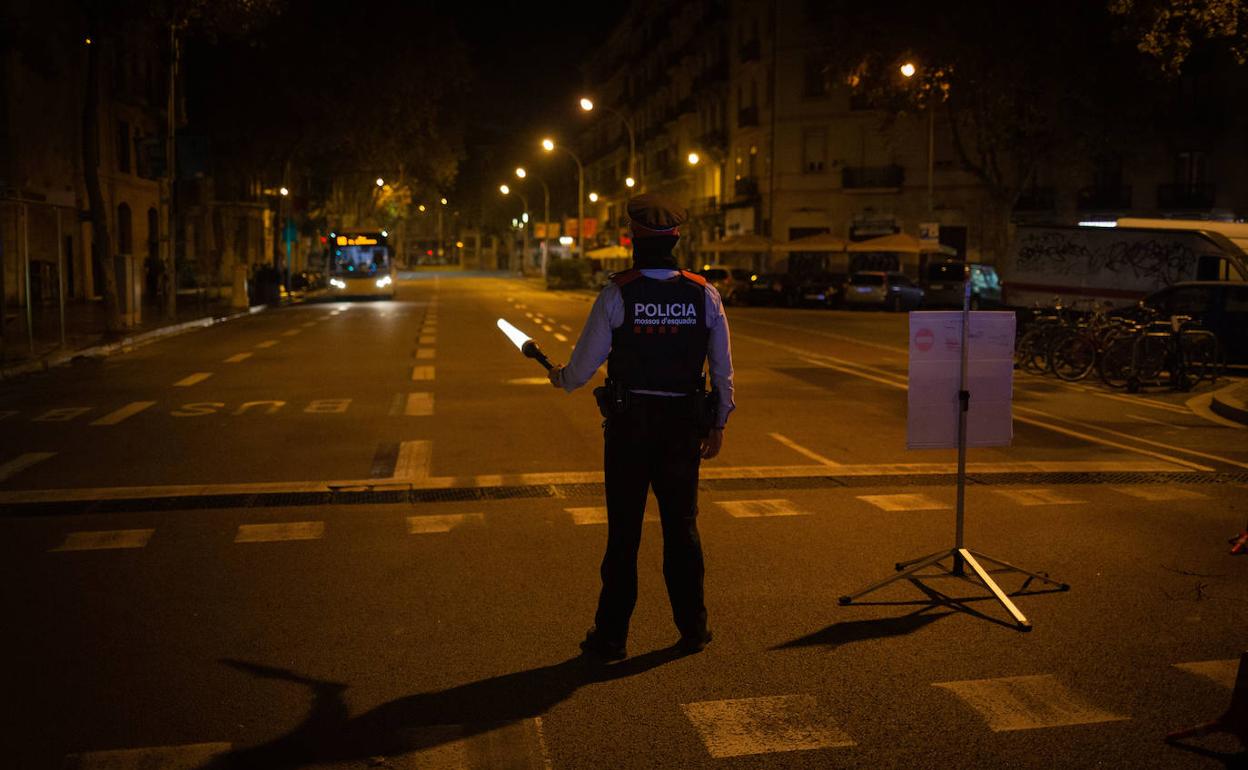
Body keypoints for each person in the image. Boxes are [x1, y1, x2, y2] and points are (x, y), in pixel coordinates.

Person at [548, 193, 735, 660]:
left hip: (630, 428)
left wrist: (560, 377)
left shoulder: (618, 293)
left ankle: (611, 639)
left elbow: (582, 368)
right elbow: (723, 369)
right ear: (675, 240)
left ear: (634, 241)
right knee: (683, 530)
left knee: (624, 535)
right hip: (681, 429)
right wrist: (719, 422)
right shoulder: (703, 293)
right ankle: (693, 629)